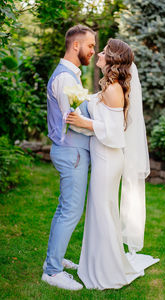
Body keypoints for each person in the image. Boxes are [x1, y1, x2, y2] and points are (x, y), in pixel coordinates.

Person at [66, 38, 159, 289]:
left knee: (103, 213)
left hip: (108, 159)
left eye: (104, 52)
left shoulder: (113, 89)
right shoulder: (109, 85)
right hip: (103, 157)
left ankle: (107, 272)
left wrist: (83, 123)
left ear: (112, 60)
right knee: (100, 212)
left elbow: (115, 133)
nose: (98, 54)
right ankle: (97, 263)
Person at [42, 25, 95, 290]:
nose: (93, 51)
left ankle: (57, 259)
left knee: (66, 209)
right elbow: (72, 122)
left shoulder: (71, 75)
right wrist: (99, 126)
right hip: (70, 150)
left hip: (72, 150)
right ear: (76, 45)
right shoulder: (64, 78)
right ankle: (52, 271)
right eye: (91, 46)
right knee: (71, 211)